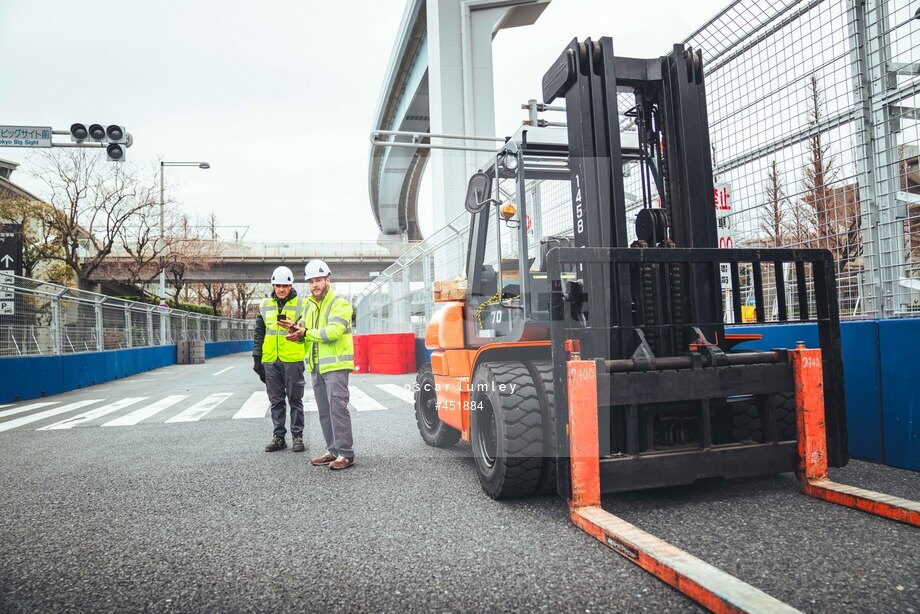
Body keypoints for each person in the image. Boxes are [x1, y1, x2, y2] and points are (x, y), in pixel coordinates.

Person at [285, 259, 355, 470]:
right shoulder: (309, 306)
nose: (314, 285)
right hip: (316, 365)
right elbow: (308, 333)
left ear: (327, 280)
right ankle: (333, 450)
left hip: (335, 365)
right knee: (324, 410)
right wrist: (297, 333)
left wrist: (306, 333)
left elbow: (333, 332)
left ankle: (346, 454)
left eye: (318, 280)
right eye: (311, 281)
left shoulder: (339, 303)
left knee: (338, 408)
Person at [253, 266, 307, 453]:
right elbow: (259, 332)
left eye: (285, 285)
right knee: (276, 400)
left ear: (291, 285)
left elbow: (307, 331)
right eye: (278, 285)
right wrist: (256, 357)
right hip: (270, 359)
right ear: (273, 285)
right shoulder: (265, 305)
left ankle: (297, 436)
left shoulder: (302, 304)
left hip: (292, 359)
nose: (281, 289)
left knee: (295, 399)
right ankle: (279, 437)